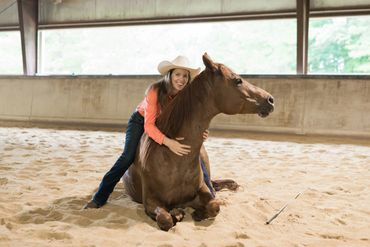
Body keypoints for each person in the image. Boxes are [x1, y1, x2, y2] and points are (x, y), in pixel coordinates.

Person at [84, 55, 213, 209]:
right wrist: (169, 142)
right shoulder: (155, 91)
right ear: (170, 75)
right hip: (141, 121)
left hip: (168, 125)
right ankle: (100, 196)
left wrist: (202, 132)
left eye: (185, 76)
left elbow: (193, 119)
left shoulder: (186, 95)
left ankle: (209, 190)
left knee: (194, 150)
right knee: (127, 157)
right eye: (178, 74)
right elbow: (149, 126)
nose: (182, 79)